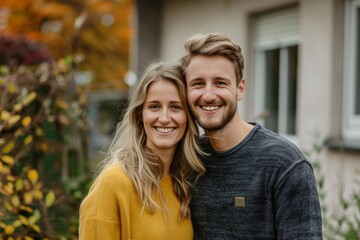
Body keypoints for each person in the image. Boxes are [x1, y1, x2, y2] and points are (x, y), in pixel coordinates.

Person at [179, 33, 323, 239]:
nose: (208, 95)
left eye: (220, 83)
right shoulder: (187, 160)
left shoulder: (284, 163)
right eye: (198, 84)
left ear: (240, 88)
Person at [78, 62, 205, 240]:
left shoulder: (185, 185)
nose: (164, 118)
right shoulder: (113, 183)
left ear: (188, 117)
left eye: (175, 107)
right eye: (154, 106)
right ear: (139, 115)